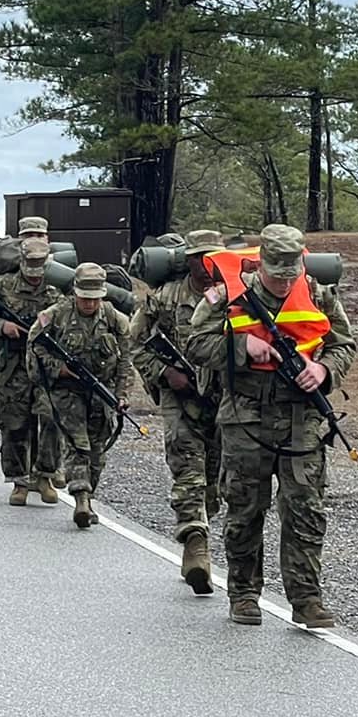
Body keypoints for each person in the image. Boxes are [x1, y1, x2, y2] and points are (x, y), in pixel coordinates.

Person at [186, 222, 357, 628]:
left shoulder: (317, 292)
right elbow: (195, 343)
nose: (284, 284)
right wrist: (242, 346)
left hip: (303, 419)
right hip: (246, 416)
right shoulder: (227, 293)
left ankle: (306, 599)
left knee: (306, 510)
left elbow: (344, 344)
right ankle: (244, 594)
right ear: (261, 264)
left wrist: (324, 370)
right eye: (276, 276)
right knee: (245, 509)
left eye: (290, 276)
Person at [130, 230, 225, 594]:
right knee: (188, 470)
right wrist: (164, 373)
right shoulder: (167, 297)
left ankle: (200, 527)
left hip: (224, 401)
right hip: (180, 398)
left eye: (213, 256)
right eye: (200, 256)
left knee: (214, 482)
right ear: (189, 260)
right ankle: (195, 545)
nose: (207, 264)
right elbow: (136, 341)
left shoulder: (234, 294)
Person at [30, 262, 132, 529]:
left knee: (97, 452)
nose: (89, 304)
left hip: (102, 393)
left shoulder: (114, 318)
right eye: (84, 298)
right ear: (75, 293)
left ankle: (89, 494)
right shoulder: (56, 315)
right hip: (67, 392)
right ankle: (81, 499)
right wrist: (58, 369)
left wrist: (121, 395)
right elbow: (35, 350)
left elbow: (126, 361)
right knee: (78, 446)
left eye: (95, 298)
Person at [0, 237, 64, 506]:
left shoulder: (58, 286)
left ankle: (45, 475)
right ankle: (19, 480)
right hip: (13, 364)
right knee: (14, 422)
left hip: (46, 364)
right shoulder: (2, 285)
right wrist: (2, 326)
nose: (35, 277)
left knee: (50, 419)